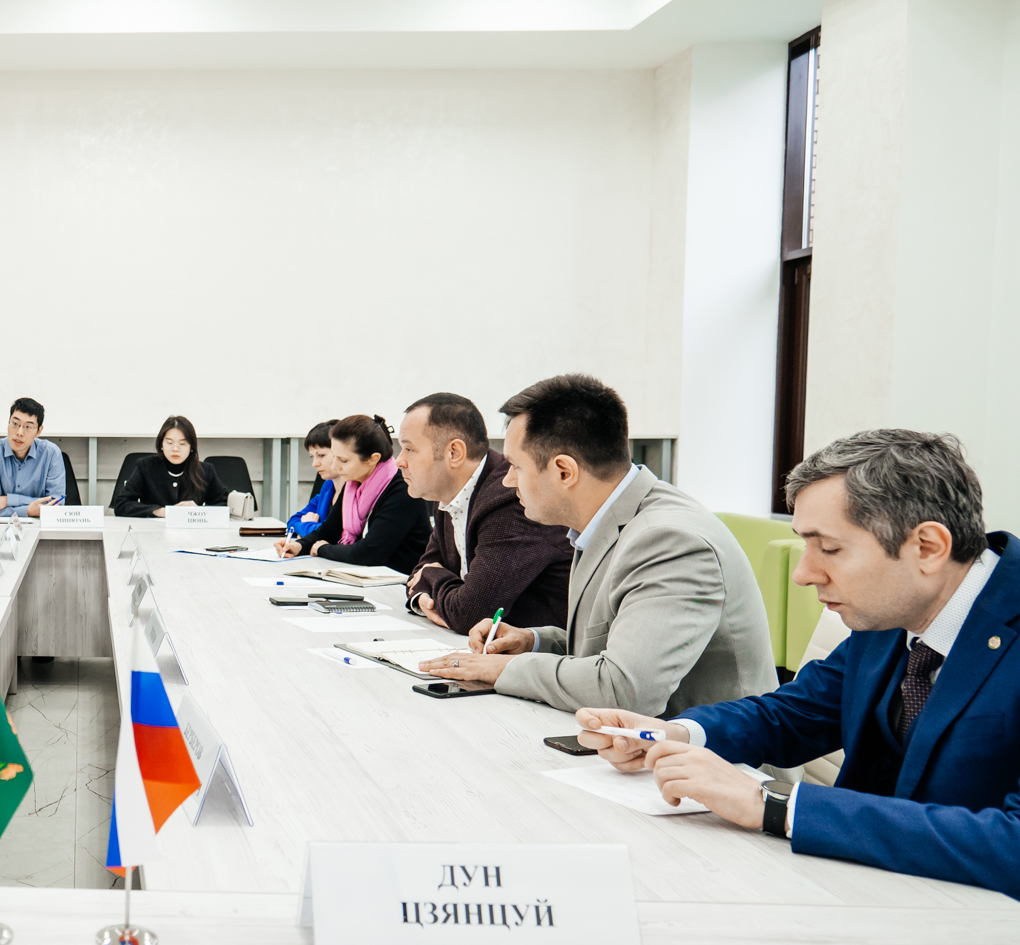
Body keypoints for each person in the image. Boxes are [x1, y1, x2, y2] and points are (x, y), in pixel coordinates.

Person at [575, 430, 1020, 898]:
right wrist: (675, 735)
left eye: (829, 548)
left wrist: (775, 805)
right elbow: (794, 714)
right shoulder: (896, 607)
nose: (803, 574)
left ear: (927, 547)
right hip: (858, 890)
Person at [422, 374, 776, 715]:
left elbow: (625, 690)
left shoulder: (669, 541)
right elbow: (610, 644)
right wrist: (533, 641)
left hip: (715, 751)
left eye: (516, 466)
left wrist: (503, 670)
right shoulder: (606, 521)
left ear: (564, 471)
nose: (508, 481)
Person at [397, 392, 571, 633]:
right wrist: (422, 595)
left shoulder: (510, 499)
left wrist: (433, 576)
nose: (399, 461)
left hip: (543, 650)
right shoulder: (447, 493)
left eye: (409, 449)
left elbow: (470, 614)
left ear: (454, 453)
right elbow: (420, 572)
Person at [274, 415, 430, 571]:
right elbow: (329, 531)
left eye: (343, 460)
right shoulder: (353, 485)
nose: (335, 466)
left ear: (372, 459)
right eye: (335, 458)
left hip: (402, 580)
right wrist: (300, 546)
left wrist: (322, 549)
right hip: (366, 576)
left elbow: (369, 552)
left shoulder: (403, 490)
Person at [112, 415, 230, 518]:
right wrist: (159, 511)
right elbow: (121, 504)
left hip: (192, 532)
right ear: (161, 444)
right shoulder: (146, 466)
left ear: (191, 447)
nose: (175, 449)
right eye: (169, 443)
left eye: (182, 444)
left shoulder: (205, 470)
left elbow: (225, 505)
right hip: (153, 531)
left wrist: (198, 511)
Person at [0, 397, 65, 518]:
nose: (19, 432)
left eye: (28, 427)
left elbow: (56, 504)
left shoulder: (51, 453)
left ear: (39, 431)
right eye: (15, 424)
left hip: (39, 524)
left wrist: (7, 500)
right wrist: (29, 510)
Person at [287, 421, 337, 534]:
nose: (314, 464)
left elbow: (335, 534)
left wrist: (307, 526)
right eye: (312, 457)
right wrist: (311, 529)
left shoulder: (354, 492)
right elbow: (293, 521)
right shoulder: (328, 487)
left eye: (321, 455)